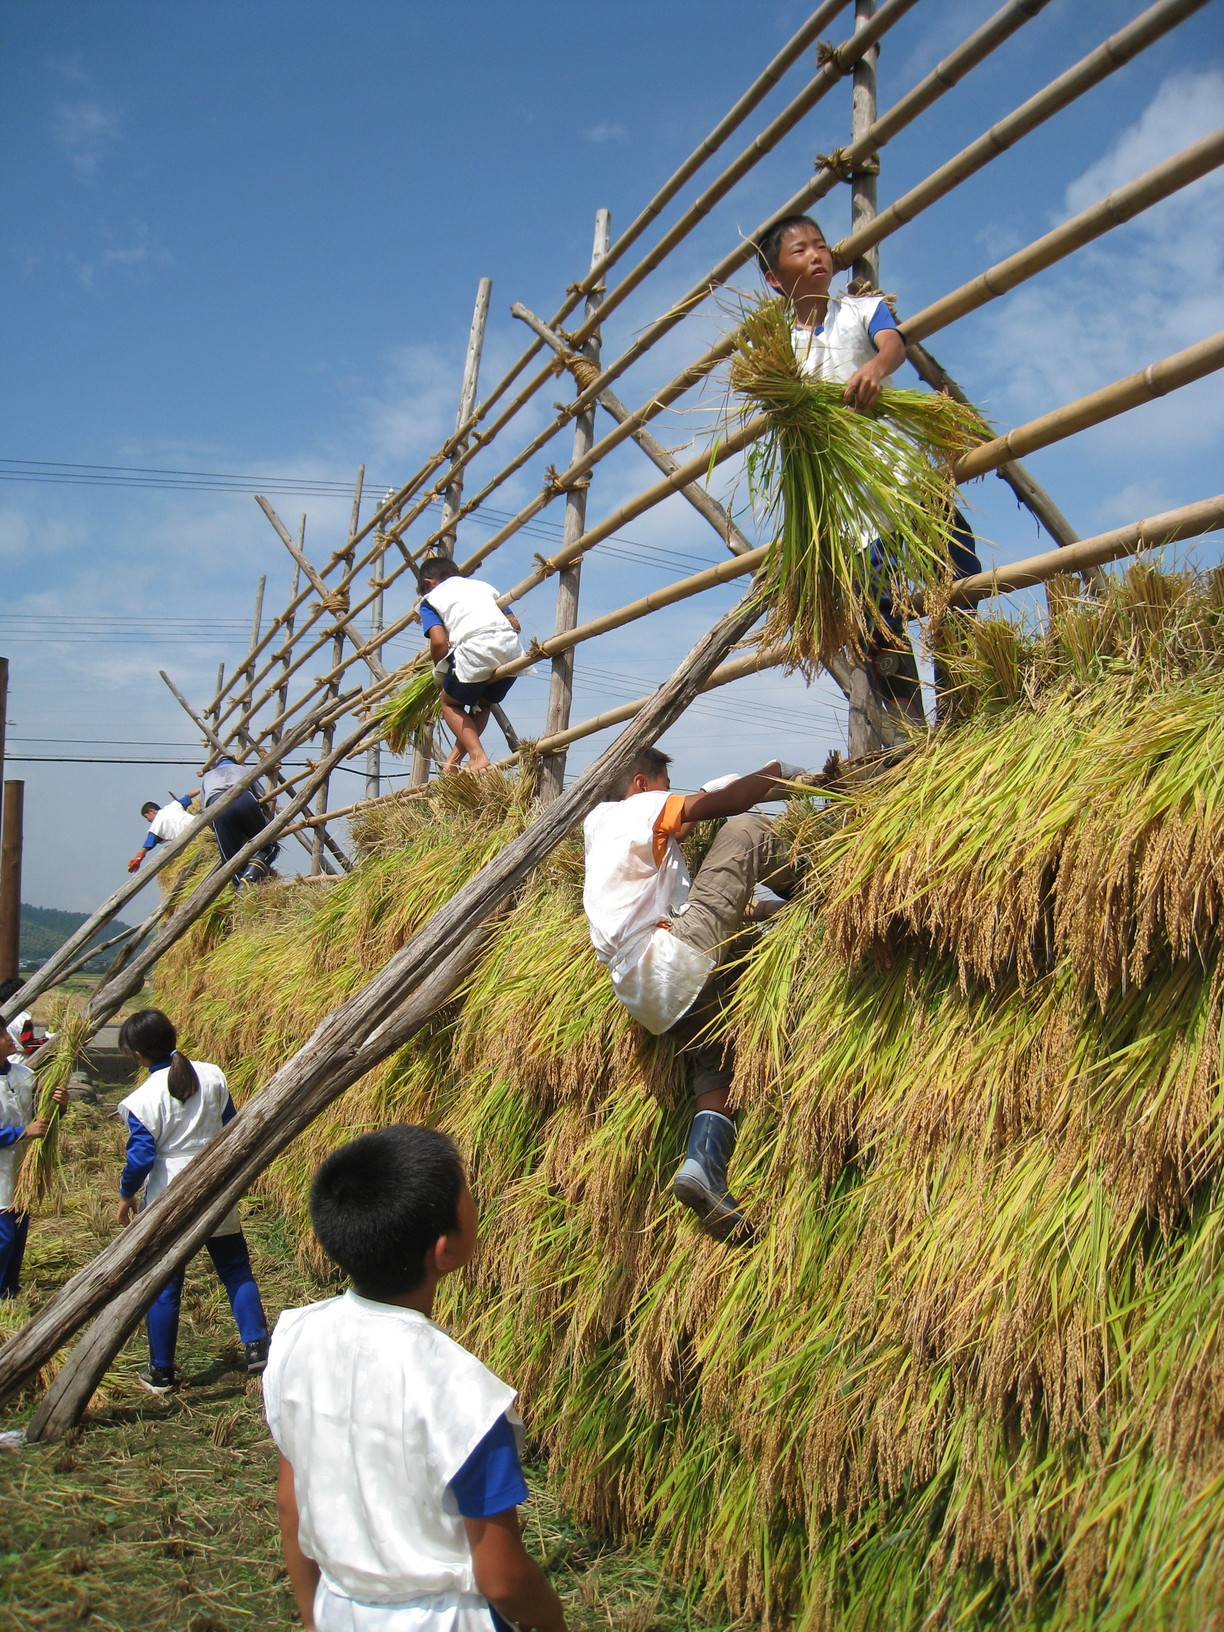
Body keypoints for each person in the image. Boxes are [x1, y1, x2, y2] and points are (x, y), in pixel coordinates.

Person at [264, 1124, 568, 1632]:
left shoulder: (296, 1338)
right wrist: (554, 1620)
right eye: (467, 1193)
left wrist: (314, 1616)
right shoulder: (466, 1397)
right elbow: (503, 1579)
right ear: (444, 1249)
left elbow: (288, 1503)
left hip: (342, 1609)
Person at [755, 212, 981, 723]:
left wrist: (875, 368)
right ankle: (910, 736)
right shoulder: (778, 354)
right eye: (800, 251)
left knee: (960, 577)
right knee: (880, 625)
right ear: (774, 278)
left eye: (821, 246)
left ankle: (966, 707)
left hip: (904, 483)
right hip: (849, 513)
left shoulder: (860, 310)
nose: (816, 255)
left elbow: (892, 343)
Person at [583, 748, 808, 1241]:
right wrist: (775, 773)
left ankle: (704, 1167)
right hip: (672, 956)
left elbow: (680, 821)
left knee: (715, 1058)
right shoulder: (639, 808)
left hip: (644, 994)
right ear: (641, 784)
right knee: (745, 831)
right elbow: (716, 808)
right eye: (667, 783)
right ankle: (828, 874)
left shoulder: (600, 824)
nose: (672, 793)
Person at [116, 1007, 269, 1393]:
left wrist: (125, 1195)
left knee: (165, 1282)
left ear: (137, 1055)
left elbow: (141, 1156)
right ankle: (257, 1348)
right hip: (215, 1180)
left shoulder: (142, 1099)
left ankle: (161, 1370)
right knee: (235, 1268)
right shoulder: (212, 1074)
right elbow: (231, 1122)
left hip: (170, 1191)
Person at [418, 556, 524, 774]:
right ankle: (454, 762)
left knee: (450, 704)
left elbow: (438, 641)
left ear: (429, 583)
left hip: (476, 649)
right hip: (512, 651)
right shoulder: (483, 587)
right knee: (482, 704)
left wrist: (440, 670)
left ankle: (478, 756)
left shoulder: (430, 600)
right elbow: (515, 624)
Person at [0, 1051, 68, 1298]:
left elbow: (43, 1118)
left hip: (22, 1169)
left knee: (18, 1236)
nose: (9, 1039)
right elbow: (28, 1128)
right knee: (4, 1238)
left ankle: (10, 1292)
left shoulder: (26, 1076)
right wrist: (22, 1132)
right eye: (1, 1034)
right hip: (1, 1172)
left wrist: (60, 1106)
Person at [198, 756, 280, 887]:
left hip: (217, 807)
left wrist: (220, 829)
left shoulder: (207, 777)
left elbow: (204, 810)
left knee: (231, 861)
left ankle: (240, 888)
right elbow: (261, 796)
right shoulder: (242, 770)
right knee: (269, 846)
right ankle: (250, 878)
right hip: (244, 800)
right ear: (235, 763)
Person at [127, 792, 199, 874]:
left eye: (146, 817)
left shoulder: (156, 825)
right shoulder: (173, 806)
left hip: (192, 842)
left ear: (151, 811)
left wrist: (138, 859)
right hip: (203, 828)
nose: (148, 821)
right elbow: (189, 796)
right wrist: (203, 787)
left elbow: (147, 845)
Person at [0, 976, 45, 1057]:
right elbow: (31, 1047)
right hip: (23, 1061)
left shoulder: (2, 1015)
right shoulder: (25, 1019)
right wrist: (50, 1041)